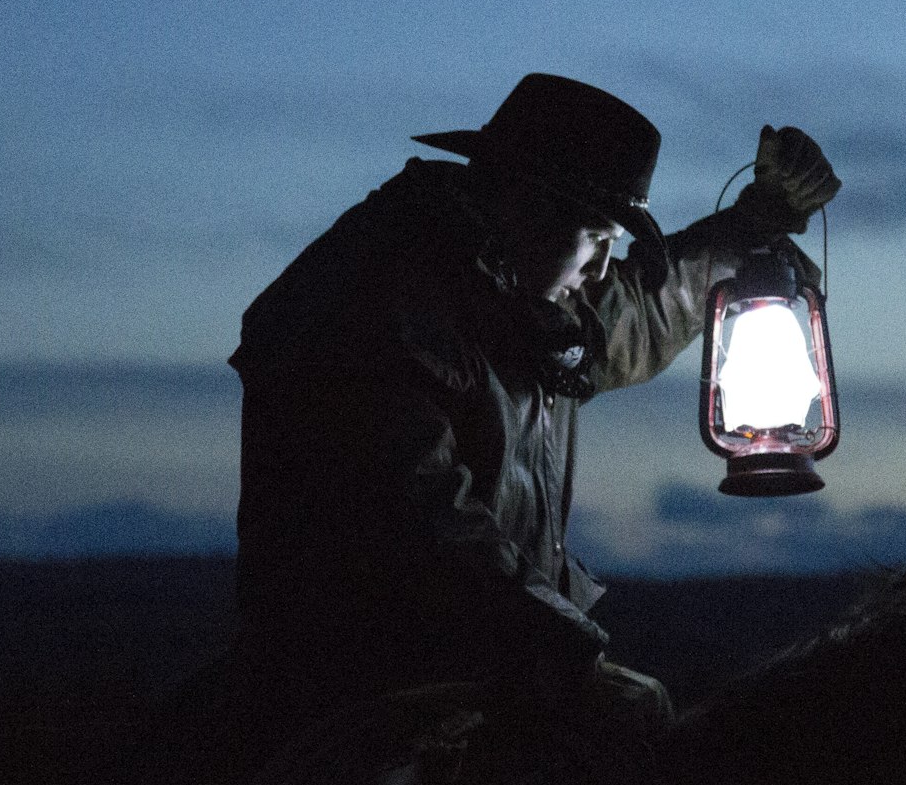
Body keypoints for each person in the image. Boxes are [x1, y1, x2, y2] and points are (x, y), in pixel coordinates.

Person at [224, 71, 839, 744]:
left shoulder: (519, 300)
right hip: (365, 683)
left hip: (483, 661)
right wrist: (562, 646)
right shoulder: (377, 301)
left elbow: (638, 311)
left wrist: (753, 225)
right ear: (527, 205)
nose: (605, 269)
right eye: (599, 238)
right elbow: (417, 525)